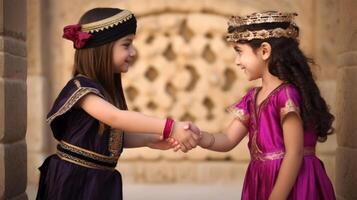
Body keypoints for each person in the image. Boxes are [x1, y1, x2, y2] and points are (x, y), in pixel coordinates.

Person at [36, 7, 200, 200]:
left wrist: (148, 140)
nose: (133, 51)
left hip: (98, 180)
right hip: (75, 180)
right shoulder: (81, 90)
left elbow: (106, 138)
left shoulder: (103, 92)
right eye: (126, 44)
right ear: (102, 48)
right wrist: (170, 128)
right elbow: (116, 118)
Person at [179, 11, 336, 200]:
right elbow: (228, 139)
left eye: (239, 52)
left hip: (292, 184)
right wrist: (199, 136)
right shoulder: (252, 98)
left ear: (264, 51)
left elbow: (294, 153)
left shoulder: (286, 95)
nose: (237, 61)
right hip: (262, 181)